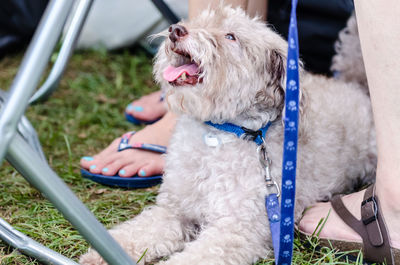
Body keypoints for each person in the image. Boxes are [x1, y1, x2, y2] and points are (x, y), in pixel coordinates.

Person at [81, 0, 400, 260]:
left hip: (355, 119)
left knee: (235, 229)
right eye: (202, 26)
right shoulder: (188, 137)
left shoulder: (281, 137)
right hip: (207, 128)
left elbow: (239, 236)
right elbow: (172, 214)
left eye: (230, 38)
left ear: (272, 79)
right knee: (173, 210)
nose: (184, 31)